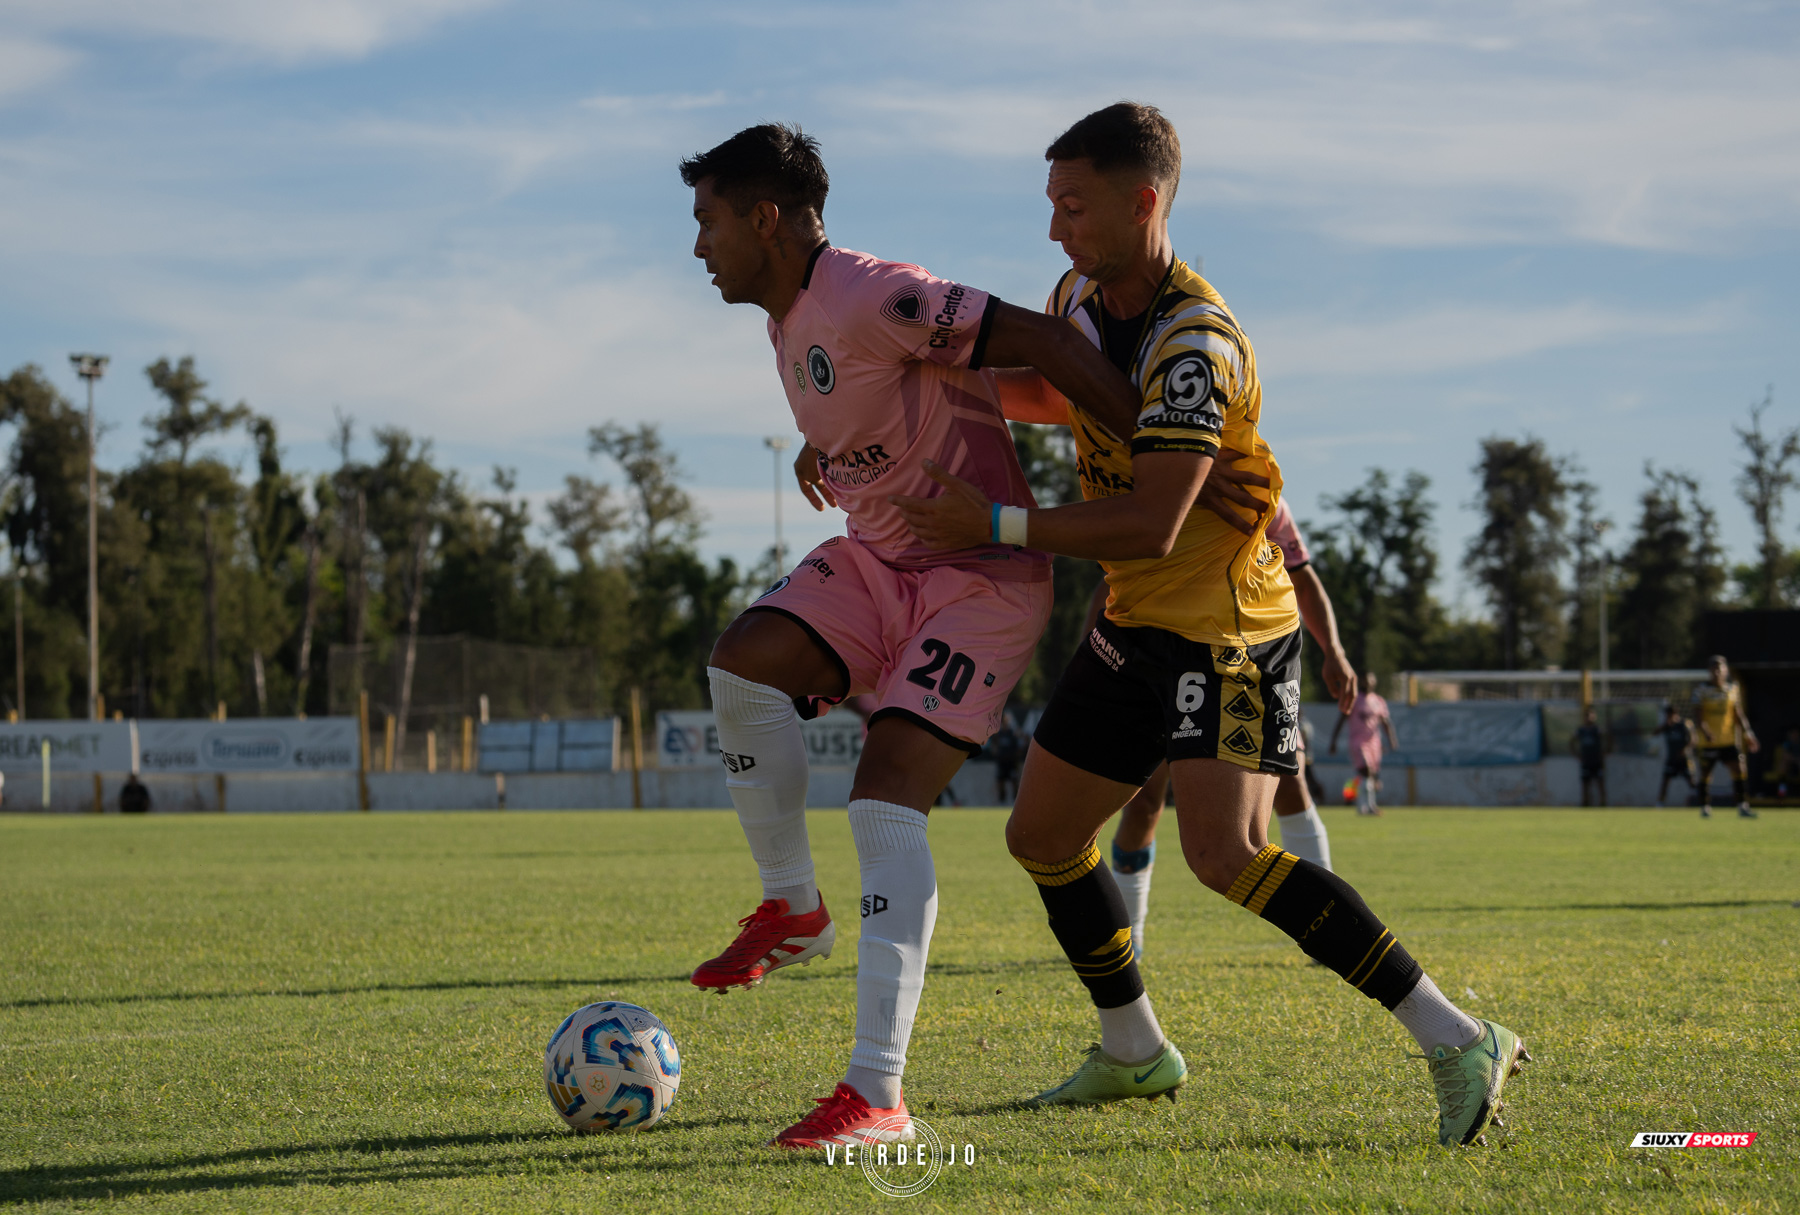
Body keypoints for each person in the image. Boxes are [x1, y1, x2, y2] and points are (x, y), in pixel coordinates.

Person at [891, 103, 1524, 1149]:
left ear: (1145, 201)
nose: (1055, 230)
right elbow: (1068, 398)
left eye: (1073, 206)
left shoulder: (1198, 342)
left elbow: (1151, 520)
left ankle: (1458, 1036)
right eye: (1049, 206)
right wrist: (911, 396)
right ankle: (1135, 1050)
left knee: (1227, 856)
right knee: (1043, 834)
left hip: (1226, 629)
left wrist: (992, 521)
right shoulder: (1080, 299)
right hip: (1135, 618)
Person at [679, 124, 1143, 1149]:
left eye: (708, 222)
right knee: (744, 665)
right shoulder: (794, 313)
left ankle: (876, 1096)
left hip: (978, 581)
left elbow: (1054, 346)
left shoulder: (871, 290)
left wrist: (1160, 460)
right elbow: (879, 386)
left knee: (883, 797)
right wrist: (828, 445)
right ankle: (793, 910)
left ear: (765, 219)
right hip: (886, 562)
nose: (699, 247)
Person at [1106, 495, 1357, 958]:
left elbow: (1302, 576)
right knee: (1144, 804)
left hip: (1248, 659)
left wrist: (1334, 651)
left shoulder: (1262, 494)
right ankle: (1130, 940)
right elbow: (1108, 589)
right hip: (1159, 655)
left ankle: (1331, 933)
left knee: (1290, 784)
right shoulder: (1151, 483)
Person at [1691, 654, 1758, 819]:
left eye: (1720, 668)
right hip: (1708, 742)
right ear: (1709, 671)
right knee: (1705, 773)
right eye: (1713, 668)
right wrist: (1706, 732)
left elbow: (1738, 714)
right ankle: (1705, 807)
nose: (1717, 672)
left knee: (1740, 769)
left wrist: (1748, 733)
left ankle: (1742, 806)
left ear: (1725, 670)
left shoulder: (1732, 689)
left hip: (1728, 740)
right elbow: (1697, 716)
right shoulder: (1701, 690)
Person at [1331, 672, 1398, 815]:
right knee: (1366, 771)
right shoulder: (1354, 699)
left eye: (1370, 680)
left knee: (1370, 775)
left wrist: (1392, 740)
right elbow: (1342, 719)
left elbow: (1385, 722)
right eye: (1364, 680)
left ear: (1374, 682)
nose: (1367, 683)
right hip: (1358, 741)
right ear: (1360, 682)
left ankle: (1365, 804)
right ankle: (1366, 806)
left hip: (1374, 742)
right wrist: (1333, 741)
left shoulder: (1378, 701)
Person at [1655, 705, 1695, 807]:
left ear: (1675, 714)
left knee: (1691, 782)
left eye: (1670, 714)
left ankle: (1699, 801)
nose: (1668, 716)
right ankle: (1660, 803)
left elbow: (1693, 739)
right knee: (1665, 782)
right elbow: (1655, 733)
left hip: (1684, 759)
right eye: (1667, 715)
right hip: (1672, 759)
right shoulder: (1667, 726)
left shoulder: (1683, 724)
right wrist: (1664, 725)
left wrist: (1685, 750)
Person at [1571, 706, 1607, 807]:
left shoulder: (1597, 729)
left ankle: (1603, 802)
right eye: (1587, 716)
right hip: (1586, 761)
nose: (1589, 718)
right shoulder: (1581, 730)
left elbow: (1608, 738)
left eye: (1591, 715)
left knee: (1600, 782)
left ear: (1594, 717)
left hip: (1597, 760)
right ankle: (1585, 802)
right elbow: (1572, 741)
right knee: (1585, 783)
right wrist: (1575, 754)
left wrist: (1606, 752)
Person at [988, 716, 1025, 804]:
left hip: (1011, 762)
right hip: (1002, 762)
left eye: (1007, 722)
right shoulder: (998, 735)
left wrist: (1016, 757)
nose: (1005, 724)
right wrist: (995, 752)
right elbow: (993, 745)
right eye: (1004, 722)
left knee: (1014, 782)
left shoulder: (1013, 734)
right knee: (1001, 782)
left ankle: (1015, 803)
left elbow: (1020, 746)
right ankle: (1002, 802)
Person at [1765, 724, 1800, 799]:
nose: (1794, 735)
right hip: (1791, 766)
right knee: (1783, 764)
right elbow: (1785, 755)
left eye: (1796, 733)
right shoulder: (1787, 744)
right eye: (1792, 733)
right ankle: (1782, 791)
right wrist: (1795, 759)